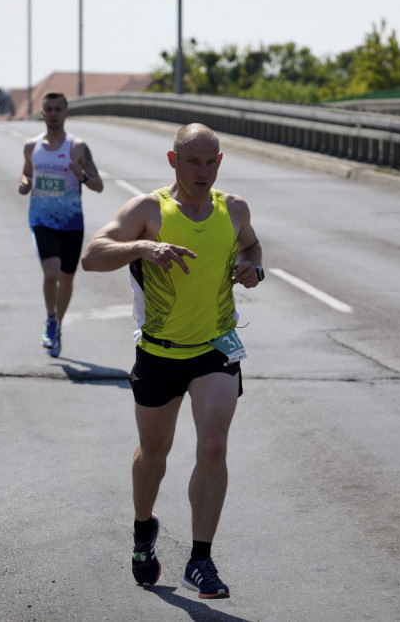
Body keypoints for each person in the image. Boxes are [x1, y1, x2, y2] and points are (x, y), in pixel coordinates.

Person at [81, 123, 264, 599]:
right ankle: (144, 531)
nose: (202, 171)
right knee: (153, 456)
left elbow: (251, 245)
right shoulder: (148, 210)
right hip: (159, 353)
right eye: (192, 161)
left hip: (216, 350)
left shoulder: (234, 208)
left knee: (213, 448)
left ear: (219, 162)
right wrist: (142, 247)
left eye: (211, 161)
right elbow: (93, 256)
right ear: (172, 160)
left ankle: (199, 561)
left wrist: (253, 267)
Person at [18, 92, 103, 358]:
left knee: (66, 278)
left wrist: (84, 175)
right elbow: (26, 171)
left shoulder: (78, 147)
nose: (53, 113)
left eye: (58, 109)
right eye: (49, 109)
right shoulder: (32, 147)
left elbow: (98, 185)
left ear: (66, 113)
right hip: (42, 219)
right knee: (51, 273)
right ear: (42, 113)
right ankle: (50, 319)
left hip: (71, 222)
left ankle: (57, 325)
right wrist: (24, 182)